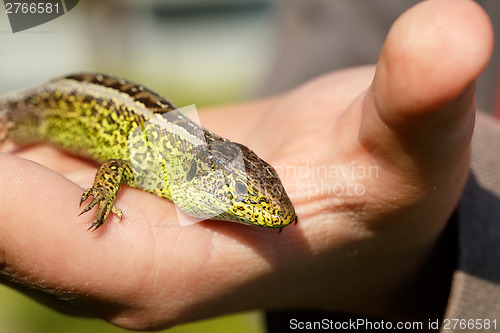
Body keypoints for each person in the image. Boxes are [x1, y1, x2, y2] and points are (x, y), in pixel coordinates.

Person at [0, 0, 497, 332]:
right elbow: (117, 164)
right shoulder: (175, 159)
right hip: (46, 106)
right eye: (246, 201)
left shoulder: (194, 162)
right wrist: (104, 193)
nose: (274, 216)